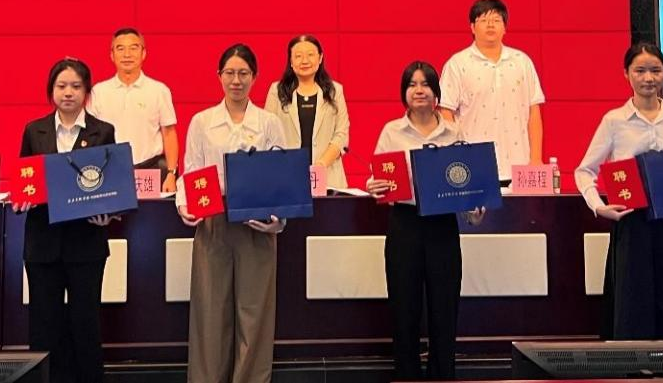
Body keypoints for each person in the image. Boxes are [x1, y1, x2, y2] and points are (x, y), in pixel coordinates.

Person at [574, 42, 663, 340]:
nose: (648, 78)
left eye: (655, 70)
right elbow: (584, 170)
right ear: (626, 74)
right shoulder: (614, 121)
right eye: (640, 71)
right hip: (632, 223)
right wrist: (598, 206)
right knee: (633, 302)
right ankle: (633, 363)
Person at [368, 61, 485, 381]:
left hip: (442, 226)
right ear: (404, 92)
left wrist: (474, 211)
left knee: (444, 309)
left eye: (425, 84)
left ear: (436, 92)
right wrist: (373, 186)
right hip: (404, 224)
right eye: (412, 84)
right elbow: (377, 177)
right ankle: (406, 375)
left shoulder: (454, 132)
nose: (419, 90)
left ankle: (442, 375)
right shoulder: (391, 131)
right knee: (404, 308)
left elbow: (465, 184)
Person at [176, 43, 287, 383]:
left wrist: (277, 220)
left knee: (254, 313)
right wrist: (184, 205)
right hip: (213, 220)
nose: (236, 80)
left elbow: (280, 176)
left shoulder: (269, 122)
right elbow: (191, 170)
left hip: (256, 223)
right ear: (219, 76)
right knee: (211, 310)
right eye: (230, 73)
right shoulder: (202, 121)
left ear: (255, 77)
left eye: (243, 73)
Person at [14, 58, 117, 383]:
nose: (68, 92)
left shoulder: (103, 131)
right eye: (61, 86)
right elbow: (25, 180)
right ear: (51, 90)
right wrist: (21, 199)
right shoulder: (34, 130)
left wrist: (108, 214)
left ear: (86, 91)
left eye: (75, 86)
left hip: (86, 242)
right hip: (43, 243)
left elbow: (112, 186)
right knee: (44, 322)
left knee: (85, 321)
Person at [439, 0, 545, 179]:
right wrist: (455, 158)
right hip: (473, 166)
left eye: (496, 20)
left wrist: (535, 159)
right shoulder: (457, 64)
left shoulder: (522, 62)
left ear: (505, 27)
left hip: (519, 166)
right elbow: (446, 113)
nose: (490, 25)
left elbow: (533, 112)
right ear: (472, 27)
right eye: (483, 20)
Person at [87, 27, 180, 193]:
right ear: (112, 55)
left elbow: (169, 134)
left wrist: (171, 174)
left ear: (143, 53)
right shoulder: (98, 92)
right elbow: (91, 137)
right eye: (120, 49)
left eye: (133, 48)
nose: (127, 54)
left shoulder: (159, 90)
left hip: (151, 170)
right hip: (111, 172)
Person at [264, 33, 350, 189]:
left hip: (328, 177)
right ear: (291, 61)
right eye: (298, 56)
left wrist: (321, 165)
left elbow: (341, 134)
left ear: (320, 58)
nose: (305, 61)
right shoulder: (277, 91)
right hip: (287, 177)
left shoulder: (335, 91)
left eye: (310, 55)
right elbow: (268, 134)